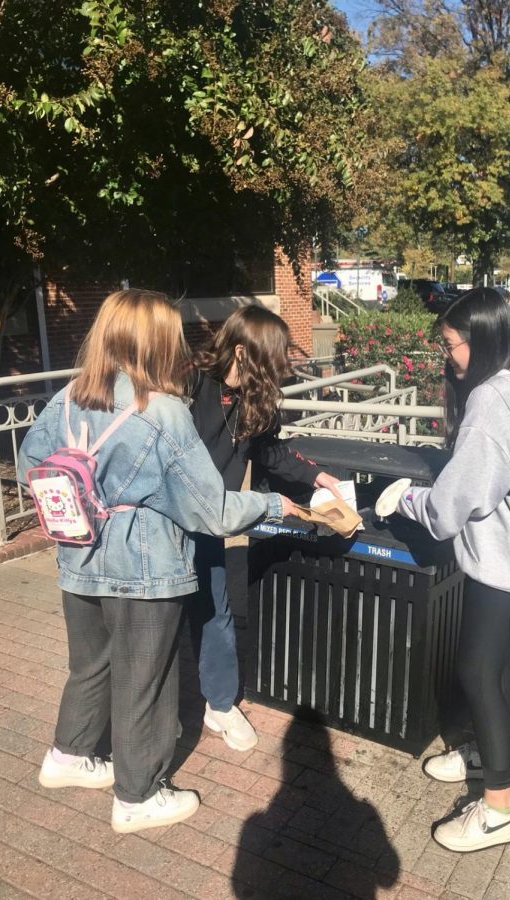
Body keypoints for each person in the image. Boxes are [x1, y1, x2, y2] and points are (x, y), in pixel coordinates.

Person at [17, 289, 298, 834]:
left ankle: (69, 756)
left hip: (79, 557)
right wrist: (271, 503)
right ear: (154, 340)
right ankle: (139, 794)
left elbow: (33, 459)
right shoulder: (164, 411)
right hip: (144, 566)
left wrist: (96, 492)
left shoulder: (73, 395)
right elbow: (209, 509)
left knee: (91, 664)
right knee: (145, 679)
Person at [381, 288, 510, 852]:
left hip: (501, 558)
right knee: (497, 668)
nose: (445, 356)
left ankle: (500, 805)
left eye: (449, 345)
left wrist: (405, 499)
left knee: (477, 670)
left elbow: (455, 504)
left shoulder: (487, 402)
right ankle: (487, 752)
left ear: (477, 342)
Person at [189, 305, 341, 751]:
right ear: (241, 350)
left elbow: (271, 450)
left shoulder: (254, 400)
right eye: (273, 358)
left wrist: (316, 477)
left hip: (212, 524)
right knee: (163, 621)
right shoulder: (191, 385)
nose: (281, 368)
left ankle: (218, 705)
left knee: (216, 614)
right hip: (165, 522)